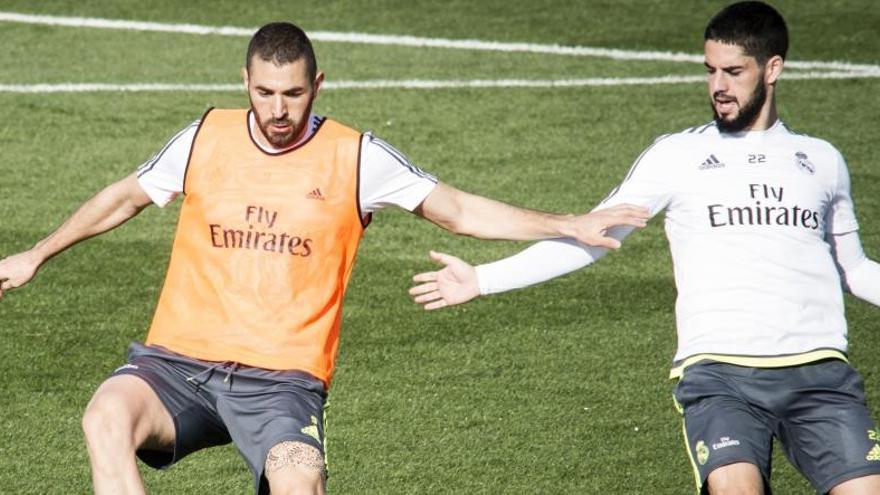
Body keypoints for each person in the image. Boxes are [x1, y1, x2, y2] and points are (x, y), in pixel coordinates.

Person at [0, 22, 648, 495]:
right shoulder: (205, 136)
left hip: (281, 381)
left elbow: (456, 209)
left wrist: (566, 221)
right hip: (178, 363)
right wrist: (38, 252)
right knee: (103, 417)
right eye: (264, 93)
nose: (278, 111)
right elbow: (123, 197)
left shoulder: (355, 155)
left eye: (293, 94)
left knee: (297, 478)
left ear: (318, 84)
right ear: (244, 84)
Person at [410, 2, 880, 493]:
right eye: (710, 70)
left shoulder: (822, 161)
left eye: (734, 72)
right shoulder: (677, 156)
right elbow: (593, 237)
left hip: (820, 373)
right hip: (721, 375)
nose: (718, 86)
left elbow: (855, 269)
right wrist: (484, 279)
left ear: (773, 68)